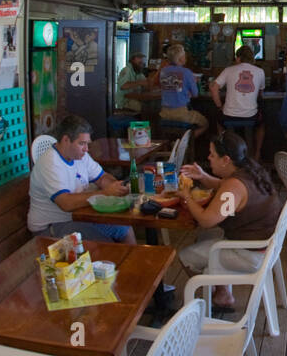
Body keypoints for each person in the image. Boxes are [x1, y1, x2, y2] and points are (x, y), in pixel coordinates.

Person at [178, 131, 278, 312]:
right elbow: (225, 189)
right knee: (205, 237)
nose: (208, 158)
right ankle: (222, 293)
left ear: (225, 159)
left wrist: (186, 197)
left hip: (250, 254)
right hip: (265, 246)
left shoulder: (233, 187)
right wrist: (203, 176)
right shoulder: (248, 171)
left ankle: (220, 295)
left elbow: (206, 220)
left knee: (185, 256)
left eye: (212, 155)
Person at [27, 115, 134, 244]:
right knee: (105, 246)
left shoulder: (80, 156)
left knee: (124, 228)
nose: (86, 149)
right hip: (52, 227)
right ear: (66, 140)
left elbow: (102, 178)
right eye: (82, 143)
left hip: (78, 217)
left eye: (87, 144)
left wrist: (116, 187)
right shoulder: (50, 163)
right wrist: (105, 193)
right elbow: (65, 203)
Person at [210, 46, 265, 159]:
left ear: (238, 58)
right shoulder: (260, 71)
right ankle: (256, 154)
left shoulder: (229, 70)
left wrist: (219, 106)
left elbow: (213, 88)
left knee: (219, 121)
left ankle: (224, 152)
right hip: (251, 117)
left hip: (229, 116)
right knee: (261, 125)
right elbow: (260, 93)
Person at [156, 44, 208, 137]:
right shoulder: (186, 72)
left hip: (164, 113)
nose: (186, 57)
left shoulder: (163, 71)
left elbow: (167, 88)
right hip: (181, 114)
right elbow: (195, 94)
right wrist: (194, 82)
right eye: (184, 55)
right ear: (180, 59)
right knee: (205, 123)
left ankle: (175, 144)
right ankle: (186, 143)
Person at [115, 52, 154, 117]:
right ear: (132, 60)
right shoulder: (127, 70)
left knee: (151, 105)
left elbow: (146, 84)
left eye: (141, 58)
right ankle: (141, 125)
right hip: (125, 101)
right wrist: (139, 82)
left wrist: (150, 81)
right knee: (145, 108)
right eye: (138, 58)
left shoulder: (138, 72)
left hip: (134, 99)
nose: (141, 60)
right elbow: (123, 86)